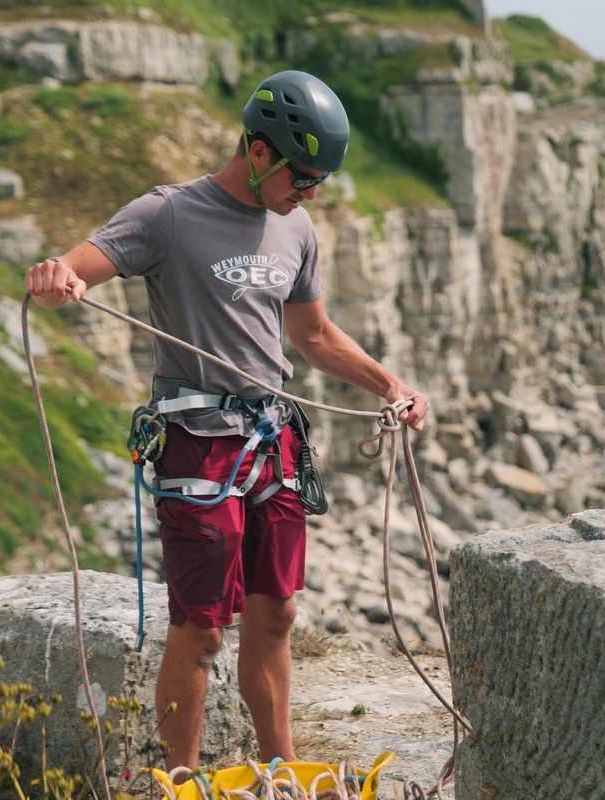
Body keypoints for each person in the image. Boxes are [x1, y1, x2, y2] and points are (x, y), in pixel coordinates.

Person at [24, 70, 430, 769]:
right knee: (202, 628)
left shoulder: (295, 226)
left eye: (320, 182)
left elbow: (315, 336)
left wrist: (390, 385)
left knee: (276, 615)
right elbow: (79, 270)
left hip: (275, 441)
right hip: (196, 448)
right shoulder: (167, 215)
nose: (309, 193)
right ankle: (180, 780)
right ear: (259, 151)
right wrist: (56, 275)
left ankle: (282, 769)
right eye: (303, 175)